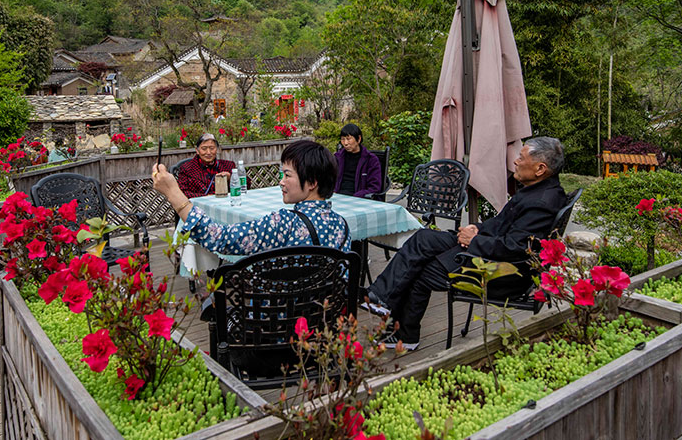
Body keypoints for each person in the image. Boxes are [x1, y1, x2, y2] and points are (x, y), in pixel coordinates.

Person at [365, 137, 567, 350]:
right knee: (424, 238)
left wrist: (475, 240)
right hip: (488, 246)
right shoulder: (538, 191)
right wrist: (477, 228)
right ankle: (380, 296)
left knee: (422, 269)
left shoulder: (541, 203)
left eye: (521, 157)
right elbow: (502, 223)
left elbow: (516, 248)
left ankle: (405, 335)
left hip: (502, 271)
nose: (515, 161)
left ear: (540, 168)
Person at [152, 139, 351, 254]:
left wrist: (173, 193)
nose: (281, 181)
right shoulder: (342, 225)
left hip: (276, 320)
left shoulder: (283, 223)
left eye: (287, 175)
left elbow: (220, 238)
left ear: (312, 183)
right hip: (322, 319)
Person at [175, 133, 236, 198]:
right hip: (197, 206)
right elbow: (182, 192)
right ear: (197, 150)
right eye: (204, 149)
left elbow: (246, 184)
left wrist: (231, 178)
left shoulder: (228, 165)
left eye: (212, 148)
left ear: (217, 149)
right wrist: (207, 197)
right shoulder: (186, 168)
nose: (208, 152)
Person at [334, 123, 383, 198]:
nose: (345, 143)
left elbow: (374, 187)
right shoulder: (337, 158)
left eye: (348, 139)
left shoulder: (371, 160)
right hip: (337, 197)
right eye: (343, 139)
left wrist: (357, 196)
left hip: (358, 198)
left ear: (359, 139)